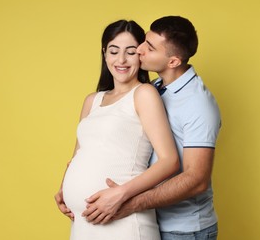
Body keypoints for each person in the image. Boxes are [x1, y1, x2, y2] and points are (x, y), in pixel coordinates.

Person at [83, 16, 222, 240]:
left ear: (173, 62)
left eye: (149, 47)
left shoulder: (198, 104)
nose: (139, 50)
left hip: (183, 230)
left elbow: (196, 179)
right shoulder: (154, 88)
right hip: (150, 221)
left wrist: (129, 203)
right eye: (144, 42)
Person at [54, 19, 179, 240]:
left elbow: (170, 161)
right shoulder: (92, 100)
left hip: (124, 222)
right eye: (114, 51)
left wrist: (120, 194)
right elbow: (77, 155)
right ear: (104, 53)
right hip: (84, 224)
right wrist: (65, 189)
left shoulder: (144, 94)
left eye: (130, 52)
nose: (121, 60)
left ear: (141, 54)